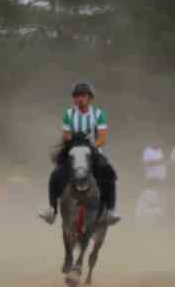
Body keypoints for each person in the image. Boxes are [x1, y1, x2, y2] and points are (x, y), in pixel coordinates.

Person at [40, 81, 120, 225]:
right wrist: (74, 142)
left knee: (109, 173)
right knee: (55, 174)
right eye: (76, 96)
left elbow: (102, 138)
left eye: (83, 96)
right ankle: (51, 210)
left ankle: (111, 210)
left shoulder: (98, 114)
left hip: (93, 153)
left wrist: (89, 147)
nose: (79, 99)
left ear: (90, 98)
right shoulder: (68, 114)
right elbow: (65, 135)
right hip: (74, 153)